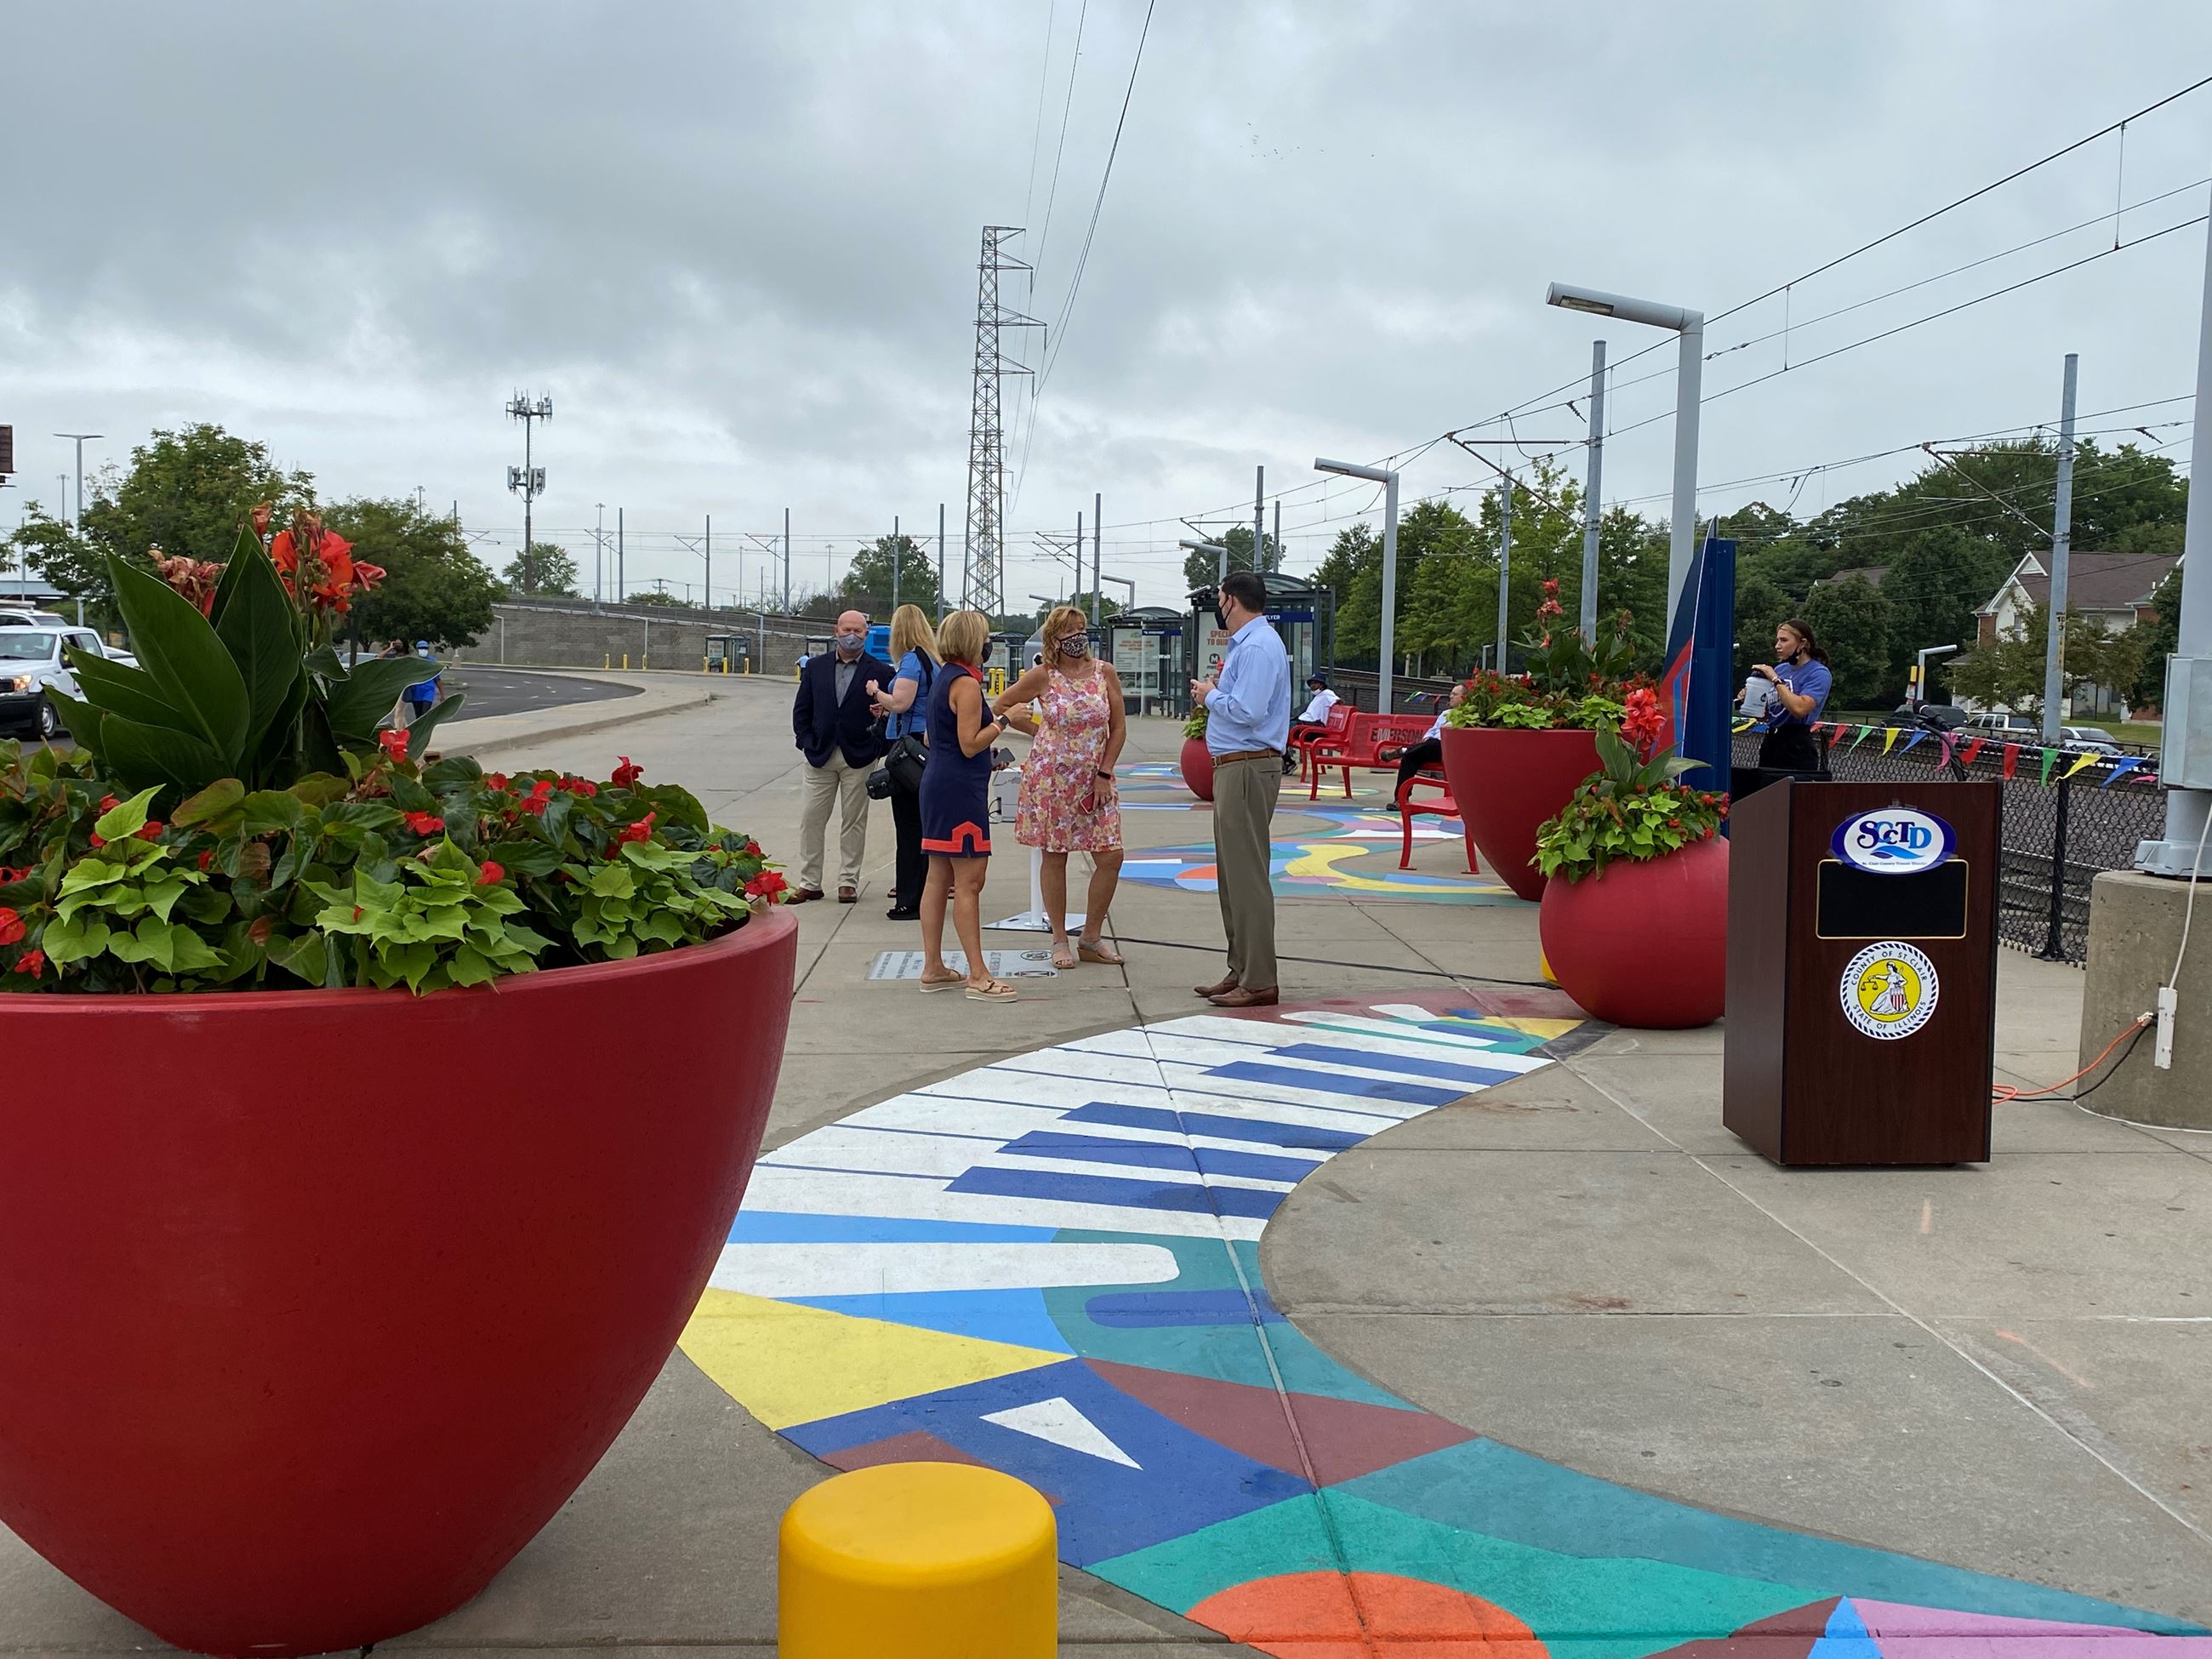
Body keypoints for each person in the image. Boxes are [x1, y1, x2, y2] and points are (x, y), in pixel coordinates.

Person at [992, 606, 1127, 970]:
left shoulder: (1104, 673)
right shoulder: (1043, 676)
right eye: (1069, 631)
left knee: (1111, 856)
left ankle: (1092, 936)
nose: (1077, 637)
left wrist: (1105, 771)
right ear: (1054, 639)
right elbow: (1002, 705)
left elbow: (1117, 727)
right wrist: (1039, 732)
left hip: (1096, 780)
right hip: (1052, 779)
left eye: (1081, 629)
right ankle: (1059, 939)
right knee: (1056, 855)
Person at [1189, 569, 1291, 1009]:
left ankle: (1259, 978)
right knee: (1233, 877)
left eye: (1219, 599)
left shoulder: (1258, 647)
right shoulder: (1252, 645)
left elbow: (1247, 711)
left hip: (1248, 767)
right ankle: (1242, 968)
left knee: (1246, 876)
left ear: (1230, 600)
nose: (1218, 606)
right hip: (1237, 767)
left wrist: (1208, 695)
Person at [918, 610, 1019, 1001]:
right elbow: (969, 743)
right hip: (961, 792)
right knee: (970, 881)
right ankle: (978, 974)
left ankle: (933, 966)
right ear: (973, 642)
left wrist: (986, 752)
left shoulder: (944, 678)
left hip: (939, 783)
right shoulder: (967, 684)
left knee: (938, 876)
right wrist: (1005, 720)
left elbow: (934, 738)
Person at [790, 609, 893, 904]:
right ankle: (810, 882)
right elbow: (802, 711)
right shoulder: (816, 668)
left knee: (854, 821)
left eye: (858, 631)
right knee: (811, 819)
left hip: (859, 757)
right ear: (836, 631)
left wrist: (877, 749)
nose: (852, 636)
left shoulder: (882, 672)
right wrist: (806, 743)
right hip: (819, 756)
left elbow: (892, 715)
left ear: (866, 633)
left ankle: (848, 881)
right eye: (847, 629)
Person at [868, 604, 940, 921]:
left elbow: (902, 702)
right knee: (922, 825)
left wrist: (877, 693)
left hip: (909, 752)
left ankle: (909, 899)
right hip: (926, 747)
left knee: (908, 827)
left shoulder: (911, 660)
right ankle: (925, 893)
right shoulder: (931, 660)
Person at [1751, 619, 1833, 773]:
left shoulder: (1818, 673)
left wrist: (1775, 679)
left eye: (1784, 640)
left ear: (1802, 644)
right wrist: (1751, 699)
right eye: (1777, 640)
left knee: (1789, 794)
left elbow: (1799, 708)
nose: (1777, 646)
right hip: (1772, 740)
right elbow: (1766, 716)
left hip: (1796, 744)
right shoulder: (1781, 669)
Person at [1392, 682, 1467, 801]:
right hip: (1430, 747)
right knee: (1409, 758)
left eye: (1455, 694)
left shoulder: (1467, 715)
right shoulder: (1445, 713)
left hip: (1447, 750)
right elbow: (1433, 730)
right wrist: (1427, 738)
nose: (1451, 696)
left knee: (1433, 744)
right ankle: (1400, 799)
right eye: (1451, 694)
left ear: (1464, 698)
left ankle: (1404, 750)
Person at [1286, 673, 1340, 772]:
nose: (1312, 685)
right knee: (1282, 729)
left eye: (1315, 683)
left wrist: (1338, 703)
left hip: (1314, 728)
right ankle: (1287, 762)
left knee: (1283, 731)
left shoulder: (1326, 693)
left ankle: (1288, 763)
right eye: (1311, 683)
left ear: (1322, 685)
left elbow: (1336, 700)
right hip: (1306, 726)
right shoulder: (1317, 697)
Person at [402, 641, 441, 728]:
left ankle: (424, 729)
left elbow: (438, 679)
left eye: (425, 648)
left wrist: (442, 695)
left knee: (425, 713)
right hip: (416, 692)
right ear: (417, 649)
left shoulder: (432, 662)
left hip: (428, 691)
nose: (423, 650)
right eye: (421, 648)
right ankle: (419, 731)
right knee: (418, 715)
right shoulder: (414, 662)